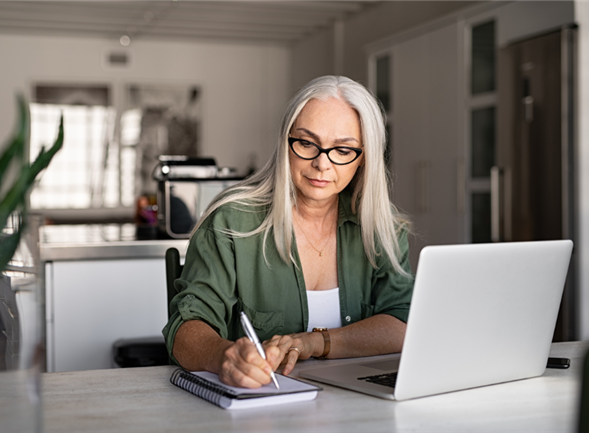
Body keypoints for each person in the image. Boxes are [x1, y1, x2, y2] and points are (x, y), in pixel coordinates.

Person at [163, 75, 414, 389]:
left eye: (343, 150)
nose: (322, 164)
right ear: (286, 142)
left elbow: (403, 323)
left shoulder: (382, 227)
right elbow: (185, 328)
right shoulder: (230, 220)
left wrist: (314, 342)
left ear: (363, 159)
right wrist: (223, 356)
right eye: (307, 143)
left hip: (361, 402)